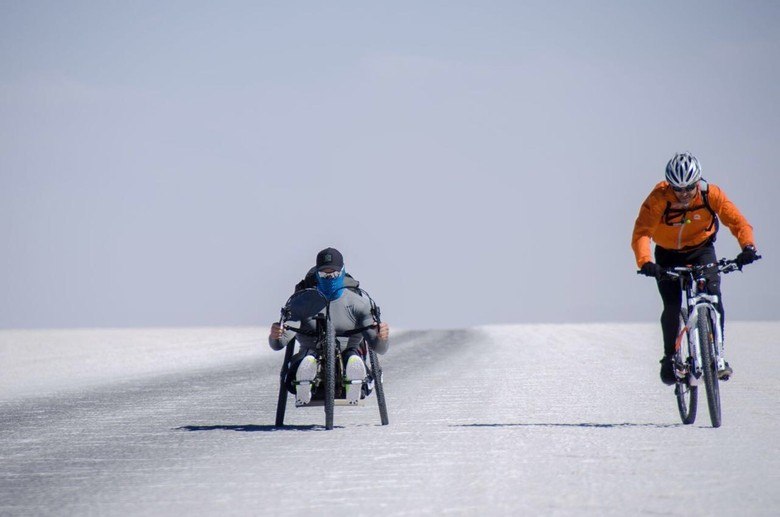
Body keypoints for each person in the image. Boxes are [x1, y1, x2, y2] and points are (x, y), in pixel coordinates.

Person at [632, 152, 759, 385]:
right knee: (671, 305)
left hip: (701, 250)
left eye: (689, 188)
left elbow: (738, 222)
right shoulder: (659, 198)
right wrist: (646, 262)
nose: (683, 194)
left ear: (697, 182)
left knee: (713, 295)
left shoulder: (712, 195)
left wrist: (748, 247)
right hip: (667, 254)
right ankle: (669, 358)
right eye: (677, 189)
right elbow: (642, 233)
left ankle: (718, 357)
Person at [269, 247, 390, 405]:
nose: (329, 278)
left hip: (349, 351)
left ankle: (355, 376)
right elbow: (279, 344)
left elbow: (379, 347)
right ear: (317, 274)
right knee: (307, 357)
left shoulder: (358, 303)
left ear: (342, 272)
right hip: (311, 351)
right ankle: (305, 379)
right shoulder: (301, 303)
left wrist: (382, 337)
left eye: (334, 274)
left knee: (352, 357)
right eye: (324, 274)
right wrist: (275, 335)